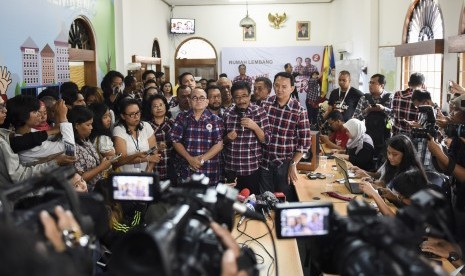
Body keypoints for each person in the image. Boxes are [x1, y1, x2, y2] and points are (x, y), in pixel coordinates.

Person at [260, 72, 311, 201]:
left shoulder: (299, 110)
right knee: (266, 201)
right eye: (276, 85)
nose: (279, 89)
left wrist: (293, 163)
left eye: (284, 86)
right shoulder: (265, 105)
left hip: (285, 165)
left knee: (284, 202)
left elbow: (305, 142)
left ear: (292, 88)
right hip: (264, 162)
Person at [0, 97, 74, 185]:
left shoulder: (20, 135)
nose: (5, 110)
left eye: (4, 106)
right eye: (35, 111)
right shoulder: (8, 142)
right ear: (22, 115)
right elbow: (70, 151)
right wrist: (62, 117)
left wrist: (47, 160)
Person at [223, 81, 270, 195]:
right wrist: (227, 138)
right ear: (233, 99)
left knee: (251, 204)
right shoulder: (227, 113)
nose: (241, 101)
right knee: (230, 206)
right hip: (231, 169)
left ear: (250, 96)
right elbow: (220, 142)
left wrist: (255, 127)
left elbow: (266, 140)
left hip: (251, 168)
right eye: (237, 97)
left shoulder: (259, 112)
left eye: (244, 96)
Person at [170, 88, 223, 185]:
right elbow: (175, 141)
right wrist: (190, 159)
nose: (198, 100)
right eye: (195, 98)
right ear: (189, 101)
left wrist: (200, 161)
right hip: (187, 171)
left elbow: (219, 145)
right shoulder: (182, 117)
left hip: (209, 171)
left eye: (202, 98)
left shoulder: (215, 119)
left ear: (207, 102)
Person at [68, 106, 113, 191]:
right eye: (88, 124)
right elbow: (79, 178)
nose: (91, 127)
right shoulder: (71, 147)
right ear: (77, 125)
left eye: (91, 124)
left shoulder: (85, 139)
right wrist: (101, 167)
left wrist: (103, 161)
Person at [352, 74, 393, 167]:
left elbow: (395, 116)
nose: (370, 85)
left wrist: (383, 109)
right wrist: (367, 111)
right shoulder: (364, 98)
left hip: (385, 138)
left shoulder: (390, 98)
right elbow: (355, 120)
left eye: (373, 83)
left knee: (383, 165)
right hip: (367, 138)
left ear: (382, 85)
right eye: (369, 82)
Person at [113, 98, 160, 173]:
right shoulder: (119, 130)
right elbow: (120, 160)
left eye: (138, 112)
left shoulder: (146, 126)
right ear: (123, 116)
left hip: (146, 174)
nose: (136, 117)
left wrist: (147, 173)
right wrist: (145, 159)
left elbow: (154, 152)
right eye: (132, 114)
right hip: (126, 177)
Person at [359, 169, 428, 217]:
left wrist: (374, 194)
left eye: (400, 196)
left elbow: (397, 224)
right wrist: (394, 197)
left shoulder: (426, 212)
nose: (399, 198)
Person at [408, 89, 437, 170]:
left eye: (418, 106)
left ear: (426, 103)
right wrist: (416, 126)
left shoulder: (439, 115)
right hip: (421, 153)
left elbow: (436, 135)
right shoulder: (422, 112)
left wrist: (420, 127)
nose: (418, 109)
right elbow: (422, 126)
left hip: (430, 158)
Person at [147, 94, 174, 180]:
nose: (159, 108)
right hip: (154, 169)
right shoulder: (146, 126)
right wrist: (156, 147)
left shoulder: (173, 124)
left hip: (171, 169)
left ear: (166, 107)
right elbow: (144, 151)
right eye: (155, 106)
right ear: (151, 110)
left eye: (161, 105)